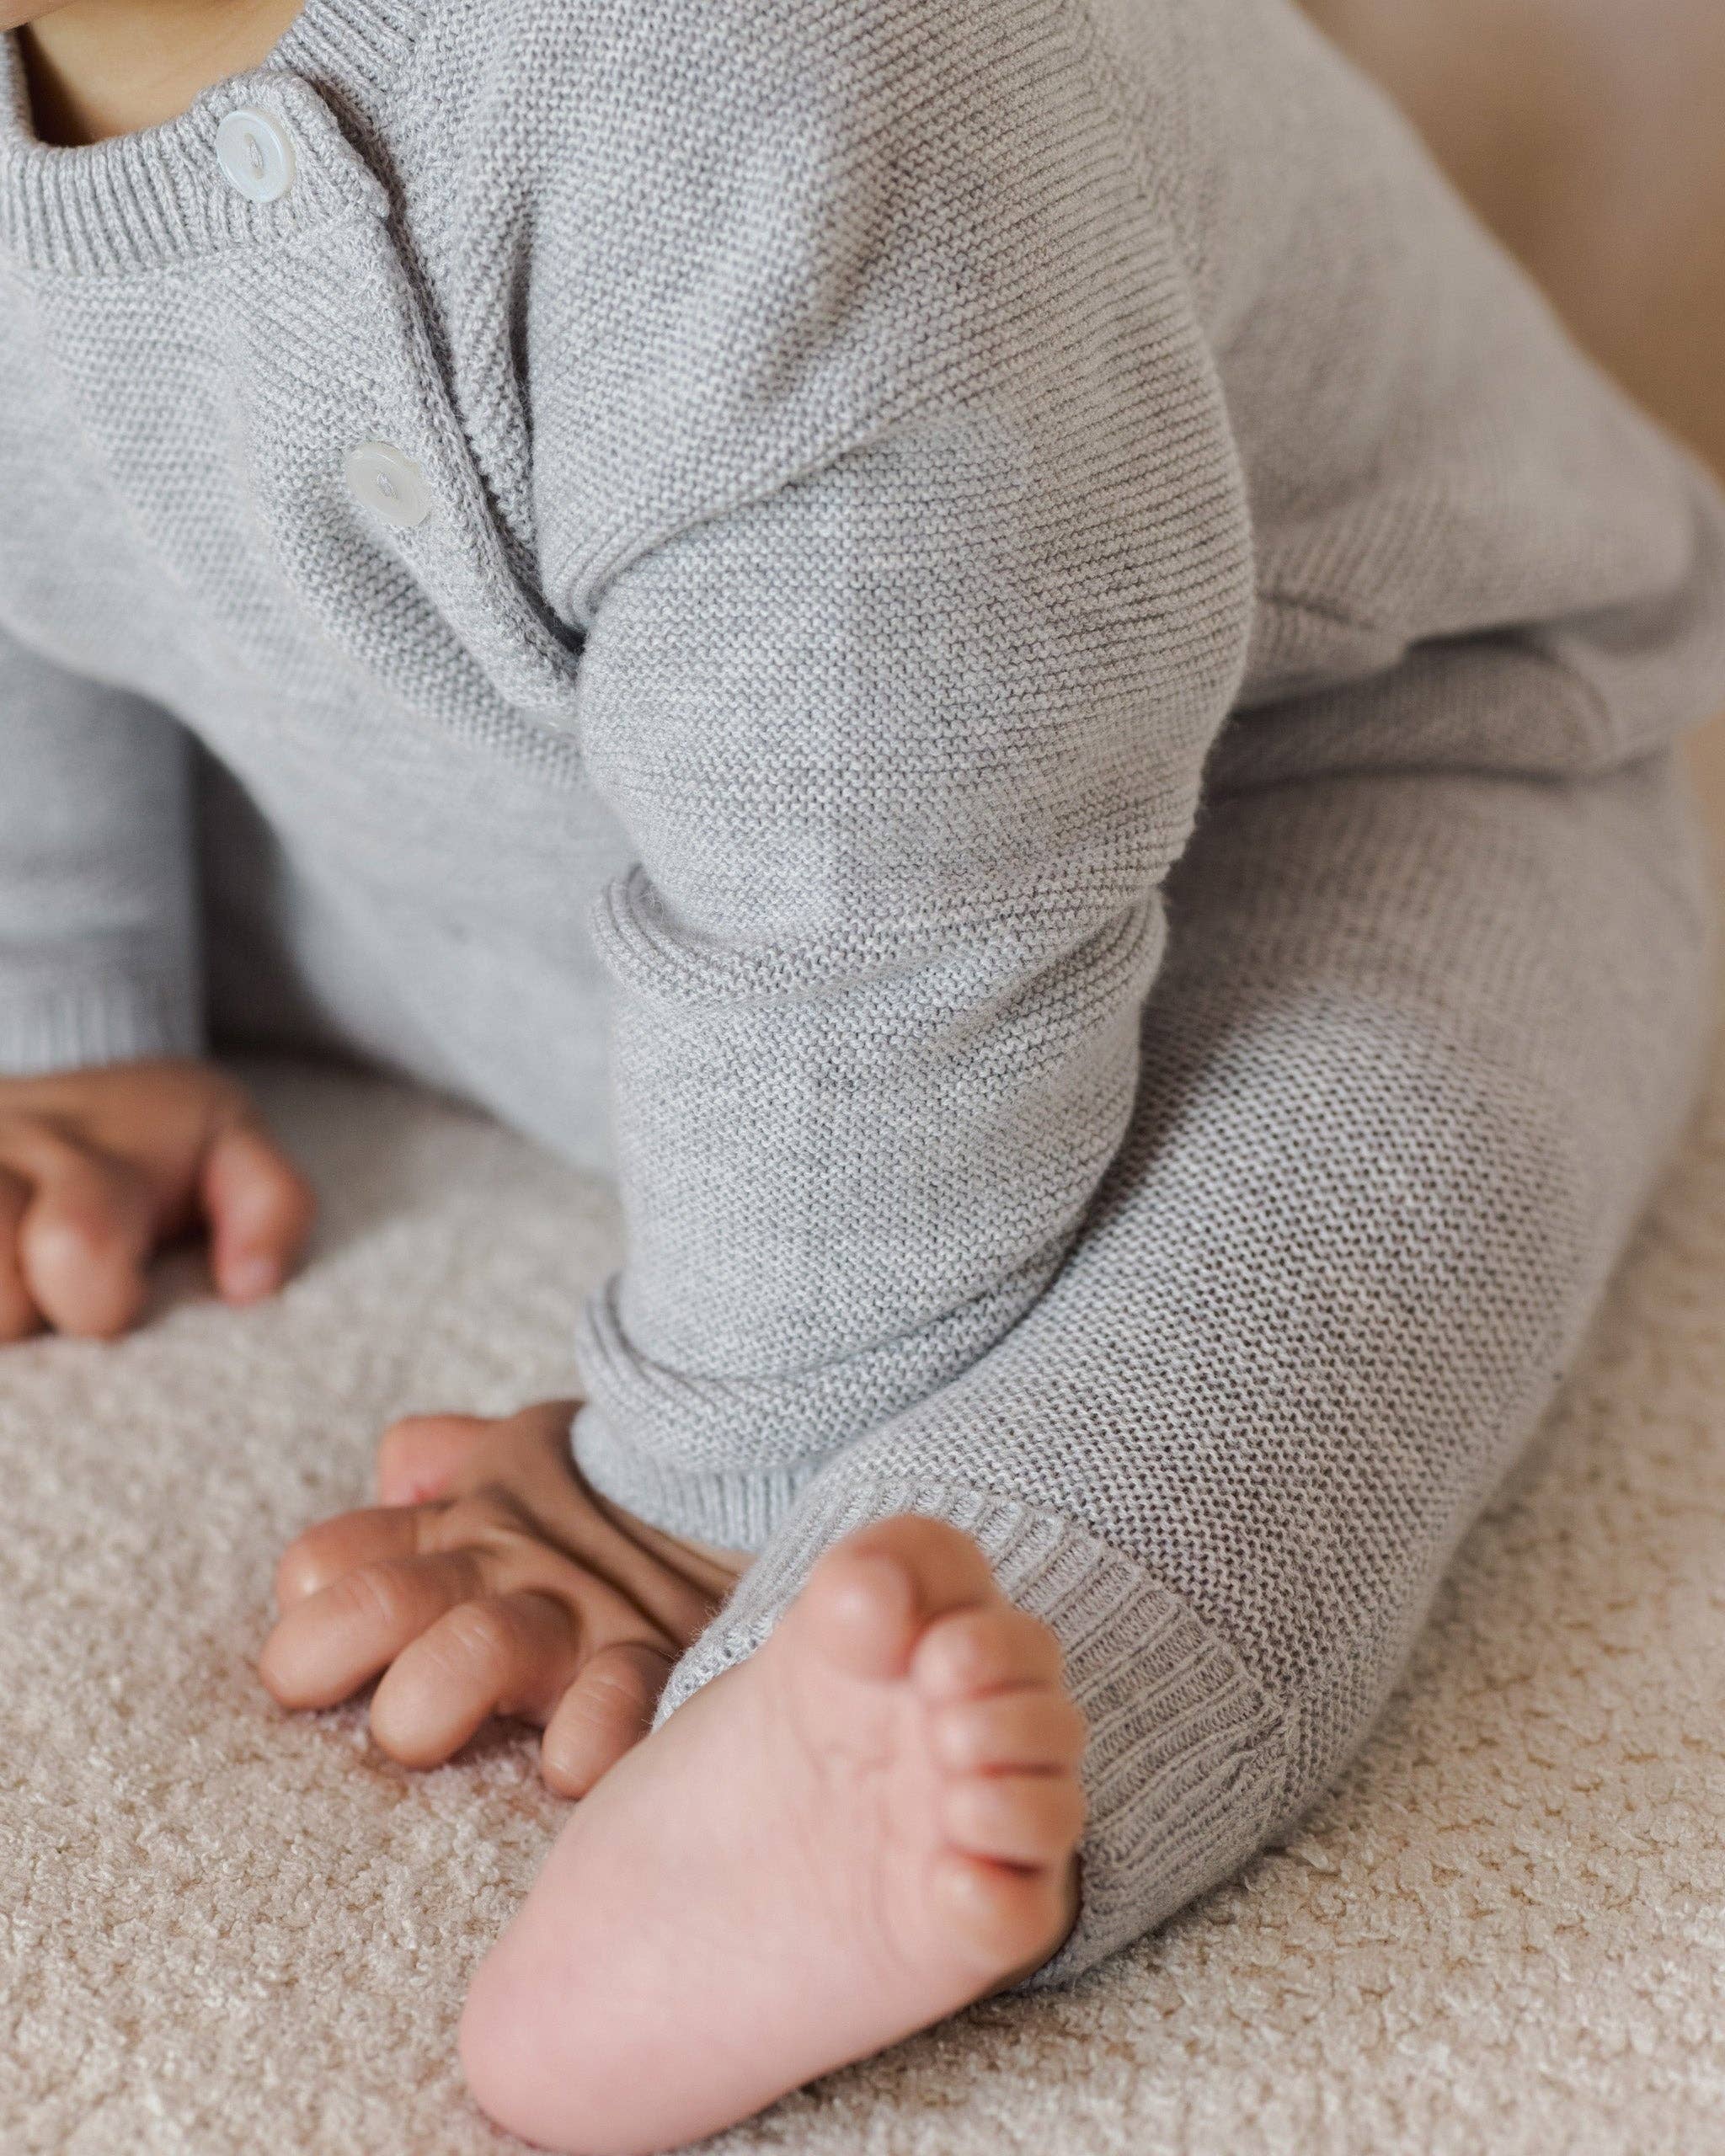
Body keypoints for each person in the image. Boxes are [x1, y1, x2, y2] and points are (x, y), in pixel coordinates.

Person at [1, 0, 1721, 2148]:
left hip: (1316, 775)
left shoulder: (787, 81)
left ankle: (871, 1746)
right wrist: (63, 1003)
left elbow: (889, 851)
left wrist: (706, 1484)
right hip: (469, 789)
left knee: (1368, 1205)